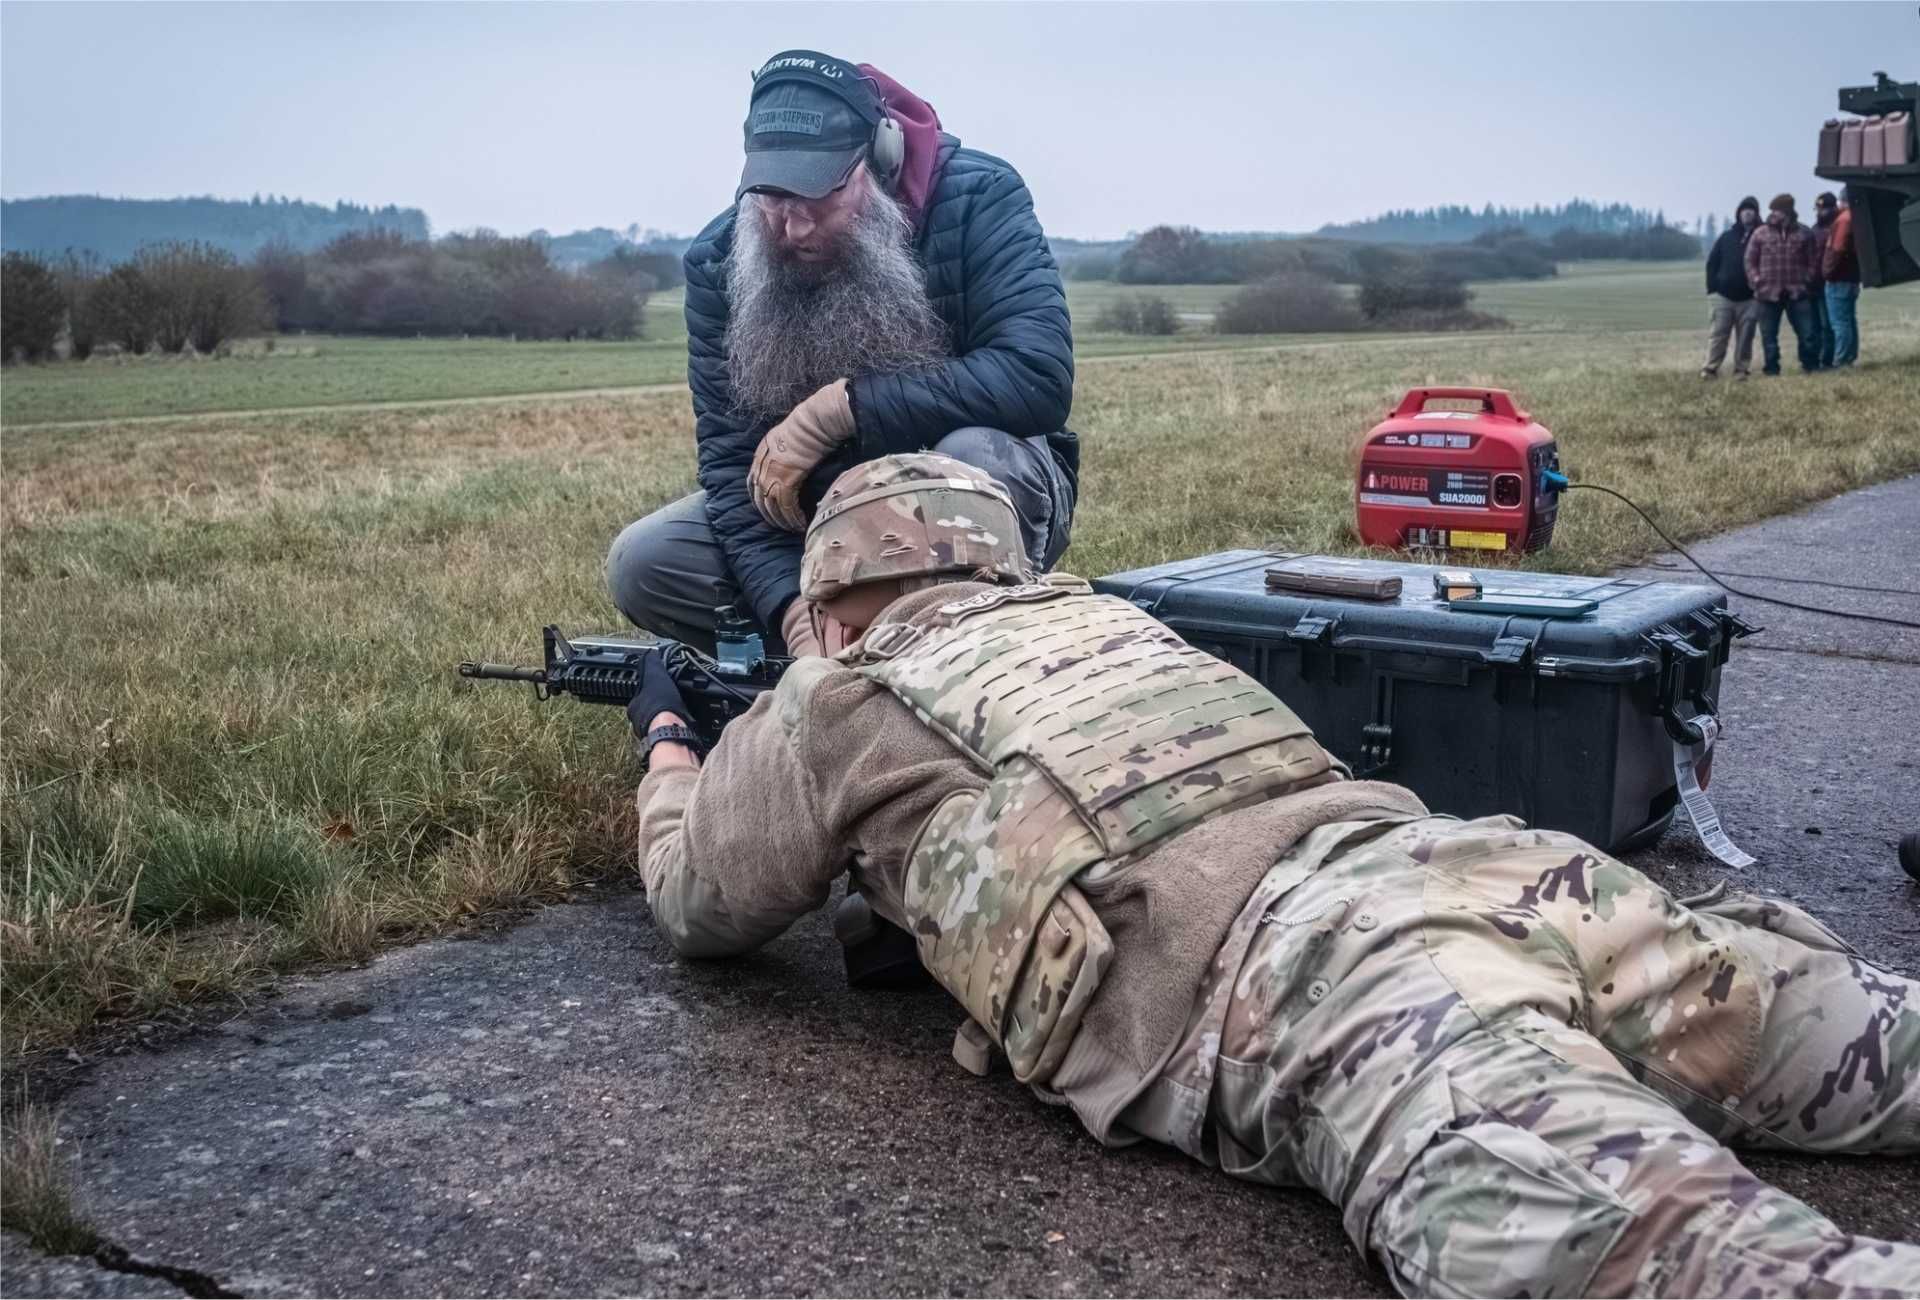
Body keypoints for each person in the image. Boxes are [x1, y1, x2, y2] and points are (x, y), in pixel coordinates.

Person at [627, 452, 1920, 1300]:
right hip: (1506, 878)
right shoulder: (1111, 618)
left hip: (1341, 985)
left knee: (1691, 1268)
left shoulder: (838, 693)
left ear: (837, 606)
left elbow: (701, 905)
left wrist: (674, 745)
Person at [604, 49, 1077, 659]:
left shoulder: (981, 195)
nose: (793, 229)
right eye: (773, 199)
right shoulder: (719, 259)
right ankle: (829, 652)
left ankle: (977, 650)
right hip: (818, 518)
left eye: (819, 197)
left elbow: (1036, 376)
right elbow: (730, 467)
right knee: (646, 560)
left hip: (973, 478)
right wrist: (791, 614)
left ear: (877, 161)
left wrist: (839, 410)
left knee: (969, 458)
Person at [1743, 194, 1821, 376]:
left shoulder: (1805, 233)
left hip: (1798, 292)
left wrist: (1808, 279)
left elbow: (1814, 261)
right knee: (1769, 336)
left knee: (1807, 334)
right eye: (1773, 211)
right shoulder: (1760, 233)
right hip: (1767, 293)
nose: (1774, 214)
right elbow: (1749, 260)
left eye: (1778, 210)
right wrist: (1756, 279)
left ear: (1788, 211)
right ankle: (1771, 369)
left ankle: (1809, 366)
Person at [1701, 196, 1760, 379]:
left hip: (1750, 297)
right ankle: (1710, 368)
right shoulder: (1726, 237)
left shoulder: (1762, 236)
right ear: (1738, 213)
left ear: (1757, 214)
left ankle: (1741, 369)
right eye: (1744, 209)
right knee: (1718, 334)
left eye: (1751, 209)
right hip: (1723, 296)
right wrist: (1712, 289)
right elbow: (1712, 263)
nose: (1747, 212)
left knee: (1745, 336)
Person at [1823, 188, 1862, 367]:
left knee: (1839, 323)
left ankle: (1842, 360)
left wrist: (1828, 272)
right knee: (1849, 320)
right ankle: (1850, 356)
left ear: (1841, 201)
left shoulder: (1844, 219)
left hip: (1839, 279)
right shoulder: (1857, 217)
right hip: (1852, 278)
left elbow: (1836, 249)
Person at [1808, 191, 1839, 369]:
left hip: (1829, 283)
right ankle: (1818, 360)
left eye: (1823, 209)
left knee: (1828, 326)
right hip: (1813, 286)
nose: (1820, 212)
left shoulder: (1836, 228)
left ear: (1832, 208)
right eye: (1818, 209)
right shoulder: (1814, 230)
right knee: (1815, 326)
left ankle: (1827, 360)